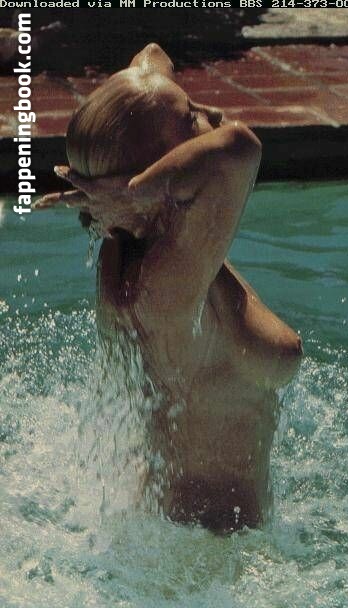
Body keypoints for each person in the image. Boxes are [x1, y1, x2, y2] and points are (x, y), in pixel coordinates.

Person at [34, 44, 302, 533]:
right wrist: (138, 189)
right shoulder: (164, 288)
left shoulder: (134, 252)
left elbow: (152, 54)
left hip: (180, 529)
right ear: (164, 173)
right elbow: (241, 149)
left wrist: (164, 109)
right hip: (211, 551)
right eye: (191, 120)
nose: (213, 116)